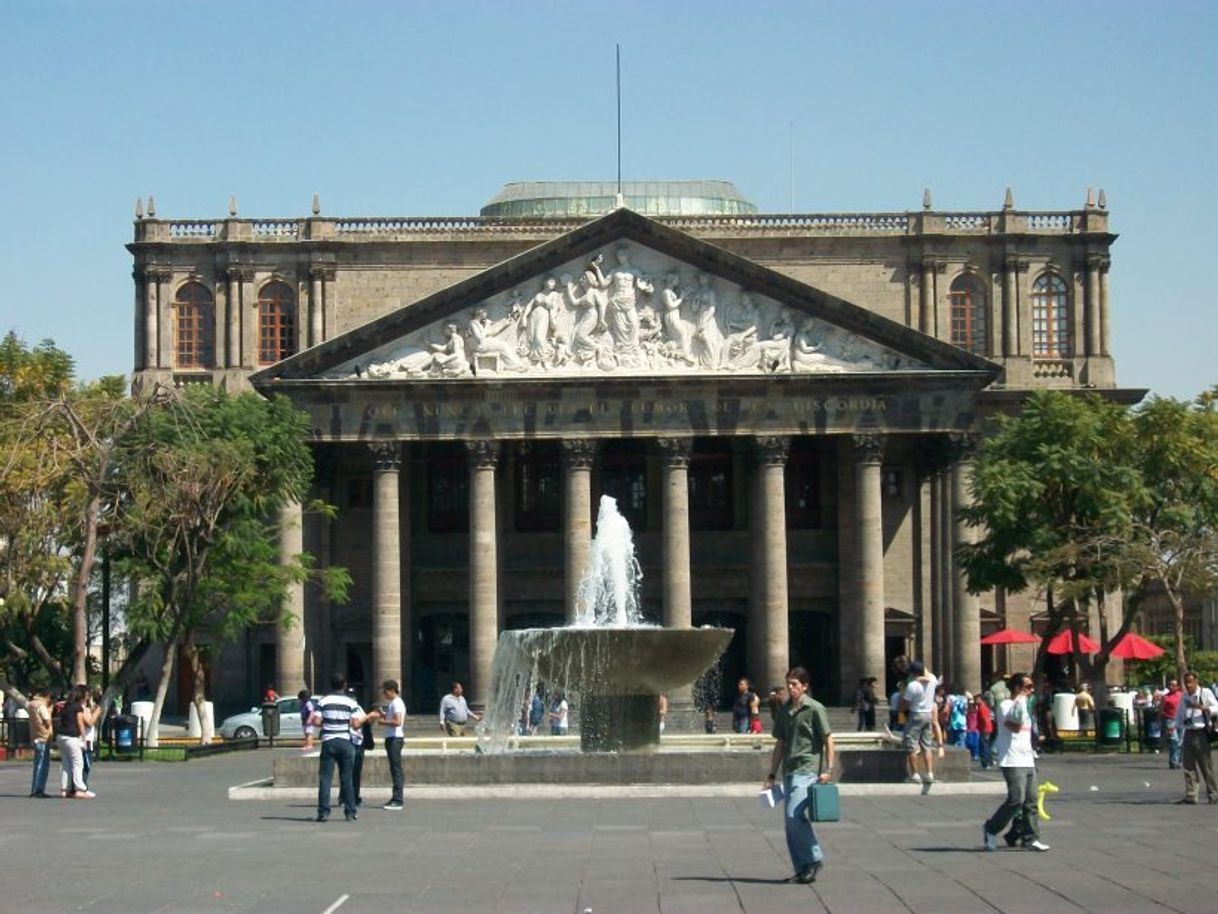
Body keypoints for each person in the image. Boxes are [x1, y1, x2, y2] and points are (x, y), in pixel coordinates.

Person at [763, 666, 835, 884]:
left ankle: (814, 859)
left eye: (795, 684)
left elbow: (828, 738)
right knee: (789, 822)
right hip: (790, 770)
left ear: (805, 686)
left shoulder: (815, 709)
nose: (790, 688)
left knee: (795, 817)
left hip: (807, 769)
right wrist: (771, 774)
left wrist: (828, 770)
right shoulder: (785, 710)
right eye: (789, 684)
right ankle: (802, 867)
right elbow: (781, 743)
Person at [982, 672, 1050, 852]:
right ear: (1017, 688)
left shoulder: (1024, 705)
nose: (1031, 690)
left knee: (1031, 800)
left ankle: (1031, 838)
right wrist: (1020, 701)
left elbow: (1028, 731)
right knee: (1016, 800)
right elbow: (1015, 727)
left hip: (1027, 758)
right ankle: (991, 828)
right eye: (1028, 687)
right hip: (1012, 760)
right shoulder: (1005, 705)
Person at [310, 672, 365, 822]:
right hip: (345, 741)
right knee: (347, 778)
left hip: (328, 741)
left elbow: (315, 721)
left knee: (325, 778)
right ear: (344, 684)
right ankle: (350, 811)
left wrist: (327, 724)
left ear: (331, 684)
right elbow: (355, 724)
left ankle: (323, 812)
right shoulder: (351, 703)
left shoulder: (323, 701)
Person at [1172, 671, 1218, 804]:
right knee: (1188, 766)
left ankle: (1213, 794)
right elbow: (1180, 713)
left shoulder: (1205, 692)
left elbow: (1217, 707)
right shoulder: (1185, 696)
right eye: (1186, 682)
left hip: (1201, 732)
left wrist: (1203, 707)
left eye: (1190, 682)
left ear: (1196, 681)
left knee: (1206, 766)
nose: (1188, 685)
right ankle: (1191, 795)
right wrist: (1176, 725)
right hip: (1188, 732)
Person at [900, 660, 939, 791]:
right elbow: (928, 673)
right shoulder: (933, 680)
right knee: (926, 746)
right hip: (928, 714)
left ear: (912, 672)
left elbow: (905, 703)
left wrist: (901, 709)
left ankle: (915, 774)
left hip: (916, 714)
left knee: (911, 745)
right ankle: (929, 773)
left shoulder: (913, 685)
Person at [369, 679, 405, 811]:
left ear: (391, 691)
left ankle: (398, 799)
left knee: (396, 769)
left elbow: (397, 721)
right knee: (394, 768)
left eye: (385, 692)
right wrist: (383, 714)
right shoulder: (394, 704)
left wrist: (382, 721)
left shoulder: (397, 703)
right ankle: (395, 797)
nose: (384, 695)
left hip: (395, 738)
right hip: (392, 738)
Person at [56, 684, 93, 799]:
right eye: (86, 695)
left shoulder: (66, 706)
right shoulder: (78, 707)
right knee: (78, 763)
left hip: (61, 736)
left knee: (66, 764)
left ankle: (64, 789)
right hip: (72, 737)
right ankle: (80, 789)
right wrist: (83, 737)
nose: (87, 697)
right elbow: (80, 723)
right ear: (82, 695)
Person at [27, 687, 53, 798]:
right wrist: (50, 711)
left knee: (37, 764)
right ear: (47, 696)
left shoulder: (31, 704)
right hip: (43, 737)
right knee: (43, 764)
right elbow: (47, 721)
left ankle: (35, 788)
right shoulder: (41, 706)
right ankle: (39, 789)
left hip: (35, 736)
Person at [1159, 677, 1182, 768]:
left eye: (1174, 685)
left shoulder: (1181, 695)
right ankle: (1174, 761)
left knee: (1180, 741)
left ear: (1177, 687)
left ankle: (1178, 761)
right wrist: (1160, 719)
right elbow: (1161, 709)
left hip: (1181, 720)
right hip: (1170, 720)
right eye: (1170, 685)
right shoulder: (1166, 697)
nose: (1171, 687)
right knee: (1174, 740)